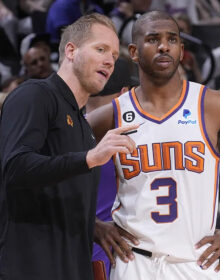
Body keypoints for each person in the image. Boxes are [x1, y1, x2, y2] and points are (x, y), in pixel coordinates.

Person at [88, 10, 220, 280]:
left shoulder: (213, 105)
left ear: (181, 50)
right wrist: (91, 225)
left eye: (171, 39)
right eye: (153, 39)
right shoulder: (109, 116)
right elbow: (53, 170)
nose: (164, 46)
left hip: (196, 261)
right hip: (134, 263)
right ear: (134, 52)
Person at [0, 13, 138, 280]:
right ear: (71, 51)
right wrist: (88, 158)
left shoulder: (82, 125)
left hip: (71, 267)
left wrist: (92, 226)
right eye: (100, 49)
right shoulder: (35, 95)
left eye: (113, 53)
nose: (110, 60)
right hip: (28, 268)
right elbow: (15, 168)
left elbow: (54, 190)